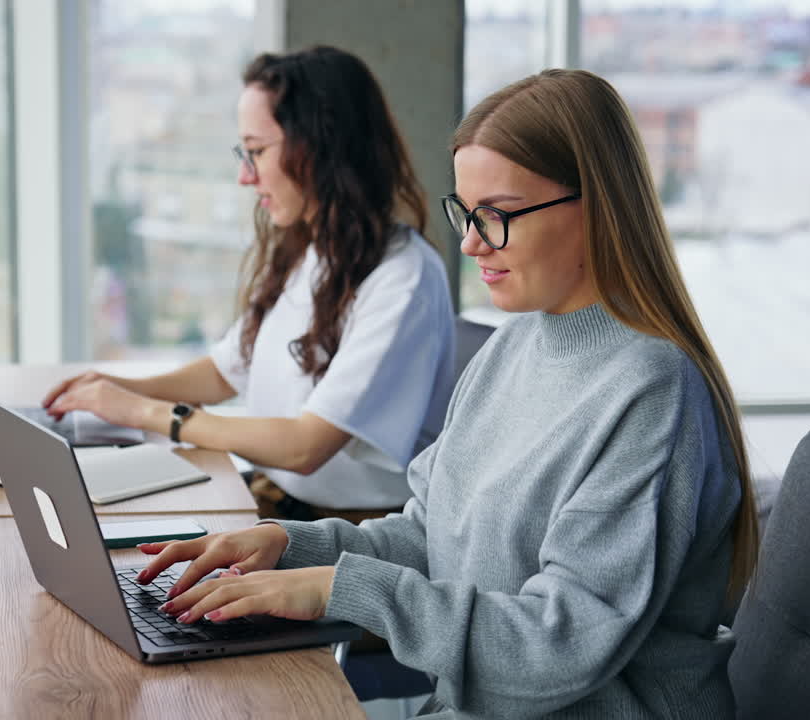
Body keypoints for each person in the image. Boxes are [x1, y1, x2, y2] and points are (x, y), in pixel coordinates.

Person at [131, 69, 760, 719]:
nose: (469, 243)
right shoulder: (512, 349)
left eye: (498, 216)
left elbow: (556, 649)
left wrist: (338, 590)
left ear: (596, 205)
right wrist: (291, 548)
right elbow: (431, 537)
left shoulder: (653, 392)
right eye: (466, 212)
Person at [43, 46, 455, 522]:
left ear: (320, 148)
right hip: (274, 501)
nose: (245, 176)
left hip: (350, 534)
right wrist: (117, 388)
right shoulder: (313, 250)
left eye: (257, 152)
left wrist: (141, 412)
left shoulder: (403, 280)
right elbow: (224, 372)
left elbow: (306, 446)